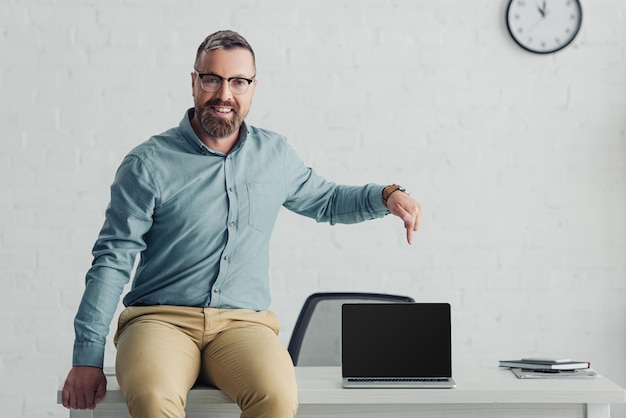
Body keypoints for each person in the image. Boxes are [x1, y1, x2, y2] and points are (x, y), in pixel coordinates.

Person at [61, 29, 421, 418]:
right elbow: (112, 260)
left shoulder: (275, 155)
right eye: (212, 79)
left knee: (277, 397)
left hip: (243, 324)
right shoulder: (148, 164)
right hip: (160, 321)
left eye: (238, 82)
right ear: (194, 82)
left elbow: (328, 200)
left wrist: (386, 194)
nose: (225, 94)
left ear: (252, 87)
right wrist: (87, 356)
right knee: (153, 397)